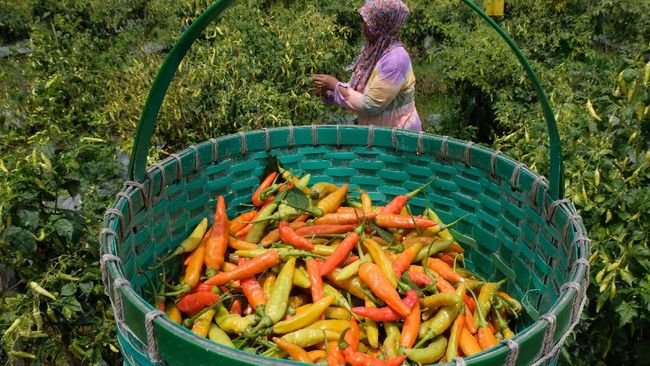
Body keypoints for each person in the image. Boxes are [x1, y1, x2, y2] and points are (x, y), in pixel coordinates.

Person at [312, 0, 421, 131]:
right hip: (377, 136)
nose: (364, 26)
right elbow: (357, 90)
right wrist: (329, 92)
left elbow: (371, 105)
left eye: (368, 22)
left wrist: (335, 86)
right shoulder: (373, 50)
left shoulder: (396, 60)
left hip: (400, 139)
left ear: (382, 24)